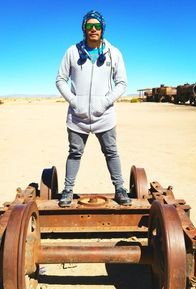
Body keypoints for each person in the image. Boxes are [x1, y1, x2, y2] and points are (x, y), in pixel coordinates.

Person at [56, 10, 131, 207]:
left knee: (111, 152)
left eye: (97, 26)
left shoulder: (114, 53)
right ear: (84, 29)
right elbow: (60, 80)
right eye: (89, 26)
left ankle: (120, 188)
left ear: (102, 28)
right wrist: (74, 101)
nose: (93, 29)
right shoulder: (72, 52)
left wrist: (105, 102)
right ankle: (68, 190)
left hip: (104, 116)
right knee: (74, 152)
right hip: (77, 116)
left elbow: (122, 83)